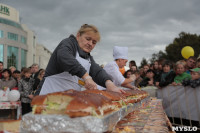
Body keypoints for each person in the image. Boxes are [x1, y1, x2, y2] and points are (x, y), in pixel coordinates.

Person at [36, 24, 124, 95]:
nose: (90, 44)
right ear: (78, 36)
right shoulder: (68, 43)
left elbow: (97, 71)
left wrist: (109, 83)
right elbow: (65, 57)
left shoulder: (88, 57)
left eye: (94, 42)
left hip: (67, 101)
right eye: (88, 39)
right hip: (48, 95)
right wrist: (86, 77)